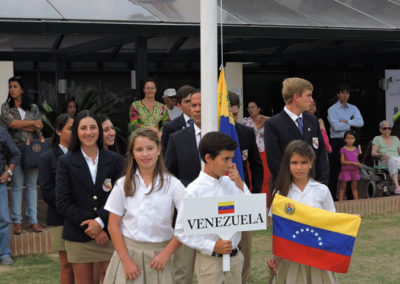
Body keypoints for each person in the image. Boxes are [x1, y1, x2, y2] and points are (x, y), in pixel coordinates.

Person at [104, 128, 185, 283]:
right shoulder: (123, 184)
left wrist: (167, 253)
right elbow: (113, 225)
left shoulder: (173, 185)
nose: (145, 154)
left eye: (150, 148)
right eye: (139, 150)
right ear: (133, 153)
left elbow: (187, 223)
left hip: (161, 255)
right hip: (128, 254)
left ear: (159, 150)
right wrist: (126, 260)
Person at [56, 110, 124, 284]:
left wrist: (100, 223)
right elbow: (63, 203)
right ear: (76, 132)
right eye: (83, 128)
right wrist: (92, 227)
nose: (88, 132)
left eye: (93, 127)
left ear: (99, 131)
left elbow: (120, 198)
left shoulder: (115, 160)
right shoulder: (65, 162)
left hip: (110, 234)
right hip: (79, 235)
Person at [174, 131, 250, 284]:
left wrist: (241, 185)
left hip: (235, 259)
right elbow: (181, 231)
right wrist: (212, 246)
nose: (230, 164)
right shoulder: (193, 191)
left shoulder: (234, 183)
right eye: (225, 159)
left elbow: (251, 213)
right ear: (208, 158)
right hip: (210, 262)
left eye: (231, 158)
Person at [266, 140, 337, 284]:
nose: (299, 167)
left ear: (311, 163)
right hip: (290, 258)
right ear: (287, 164)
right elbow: (278, 230)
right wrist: (276, 257)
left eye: (304, 162)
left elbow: (332, 224)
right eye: (294, 162)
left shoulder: (322, 190)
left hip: (318, 256)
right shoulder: (280, 193)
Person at [164, 89, 201, 284]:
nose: (197, 109)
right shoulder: (177, 138)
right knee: (182, 272)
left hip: (220, 214)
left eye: (201, 105)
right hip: (186, 213)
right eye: (193, 105)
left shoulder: (226, 135)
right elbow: (170, 175)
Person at [264, 77, 329, 188]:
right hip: (288, 190)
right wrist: (296, 186)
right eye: (308, 95)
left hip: (314, 188)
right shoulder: (273, 124)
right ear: (296, 97)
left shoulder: (313, 121)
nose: (312, 100)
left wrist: (321, 184)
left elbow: (322, 155)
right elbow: (275, 163)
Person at [1, 75, 43, 234]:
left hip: (32, 150)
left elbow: (38, 127)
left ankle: (34, 220)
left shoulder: (33, 107)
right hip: (15, 151)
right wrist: (31, 123)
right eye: (10, 86)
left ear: (22, 89)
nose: (12, 89)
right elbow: (11, 124)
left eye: (15, 86)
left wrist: (21, 125)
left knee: (32, 185)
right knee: (17, 186)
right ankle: (17, 221)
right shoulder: (6, 107)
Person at [229, 91, 263, 284]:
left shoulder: (246, 132)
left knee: (245, 247)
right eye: (228, 115)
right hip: (217, 201)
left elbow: (256, 165)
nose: (232, 119)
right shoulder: (212, 132)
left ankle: (244, 280)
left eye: (234, 114)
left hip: (243, 197)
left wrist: (255, 195)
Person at [39, 113, 74, 283]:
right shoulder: (47, 158)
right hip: (60, 218)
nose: (75, 132)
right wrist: (69, 210)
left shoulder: (83, 156)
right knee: (67, 264)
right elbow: (47, 192)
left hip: (82, 218)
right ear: (59, 131)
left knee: (84, 264)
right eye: (70, 128)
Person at [327, 84, 364, 200]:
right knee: (335, 169)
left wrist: (346, 121)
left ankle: (351, 198)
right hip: (337, 141)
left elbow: (361, 122)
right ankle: (332, 198)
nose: (345, 95)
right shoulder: (332, 109)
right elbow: (336, 127)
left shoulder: (353, 108)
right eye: (342, 92)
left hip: (351, 142)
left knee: (351, 169)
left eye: (347, 93)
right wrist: (351, 123)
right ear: (338, 94)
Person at [0, 126, 21, 265]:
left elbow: (16, 153)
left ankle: (4, 253)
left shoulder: (1, 131)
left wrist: (9, 172)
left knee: (3, 219)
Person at [243, 100, 271, 195]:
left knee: (265, 178)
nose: (250, 109)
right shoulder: (246, 121)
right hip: (250, 154)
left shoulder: (266, 121)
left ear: (259, 109)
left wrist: (266, 119)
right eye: (249, 107)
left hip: (263, 153)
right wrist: (259, 126)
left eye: (253, 107)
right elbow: (251, 133)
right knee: (251, 177)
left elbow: (278, 121)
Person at [161, 85, 195, 153]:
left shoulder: (208, 122)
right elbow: (167, 153)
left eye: (193, 100)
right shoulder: (170, 127)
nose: (192, 104)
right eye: (187, 101)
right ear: (179, 105)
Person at [371, 120, 400, 195]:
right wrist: (382, 154)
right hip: (384, 161)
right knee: (391, 160)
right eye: (384, 128)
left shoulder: (396, 138)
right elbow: (373, 153)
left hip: (397, 159)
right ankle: (397, 186)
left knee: (393, 161)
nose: (387, 130)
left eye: (389, 128)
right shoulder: (377, 138)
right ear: (380, 129)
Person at [338, 130, 361, 201]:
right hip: (346, 171)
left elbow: (356, 160)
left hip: (354, 170)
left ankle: (357, 202)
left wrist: (359, 164)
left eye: (352, 138)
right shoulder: (343, 149)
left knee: (354, 187)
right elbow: (342, 161)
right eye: (348, 138)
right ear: (345, 139)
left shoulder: (356, 149)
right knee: (343, 187)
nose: (350, 140)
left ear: (354, 139)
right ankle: (340, 203)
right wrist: (353, 163)